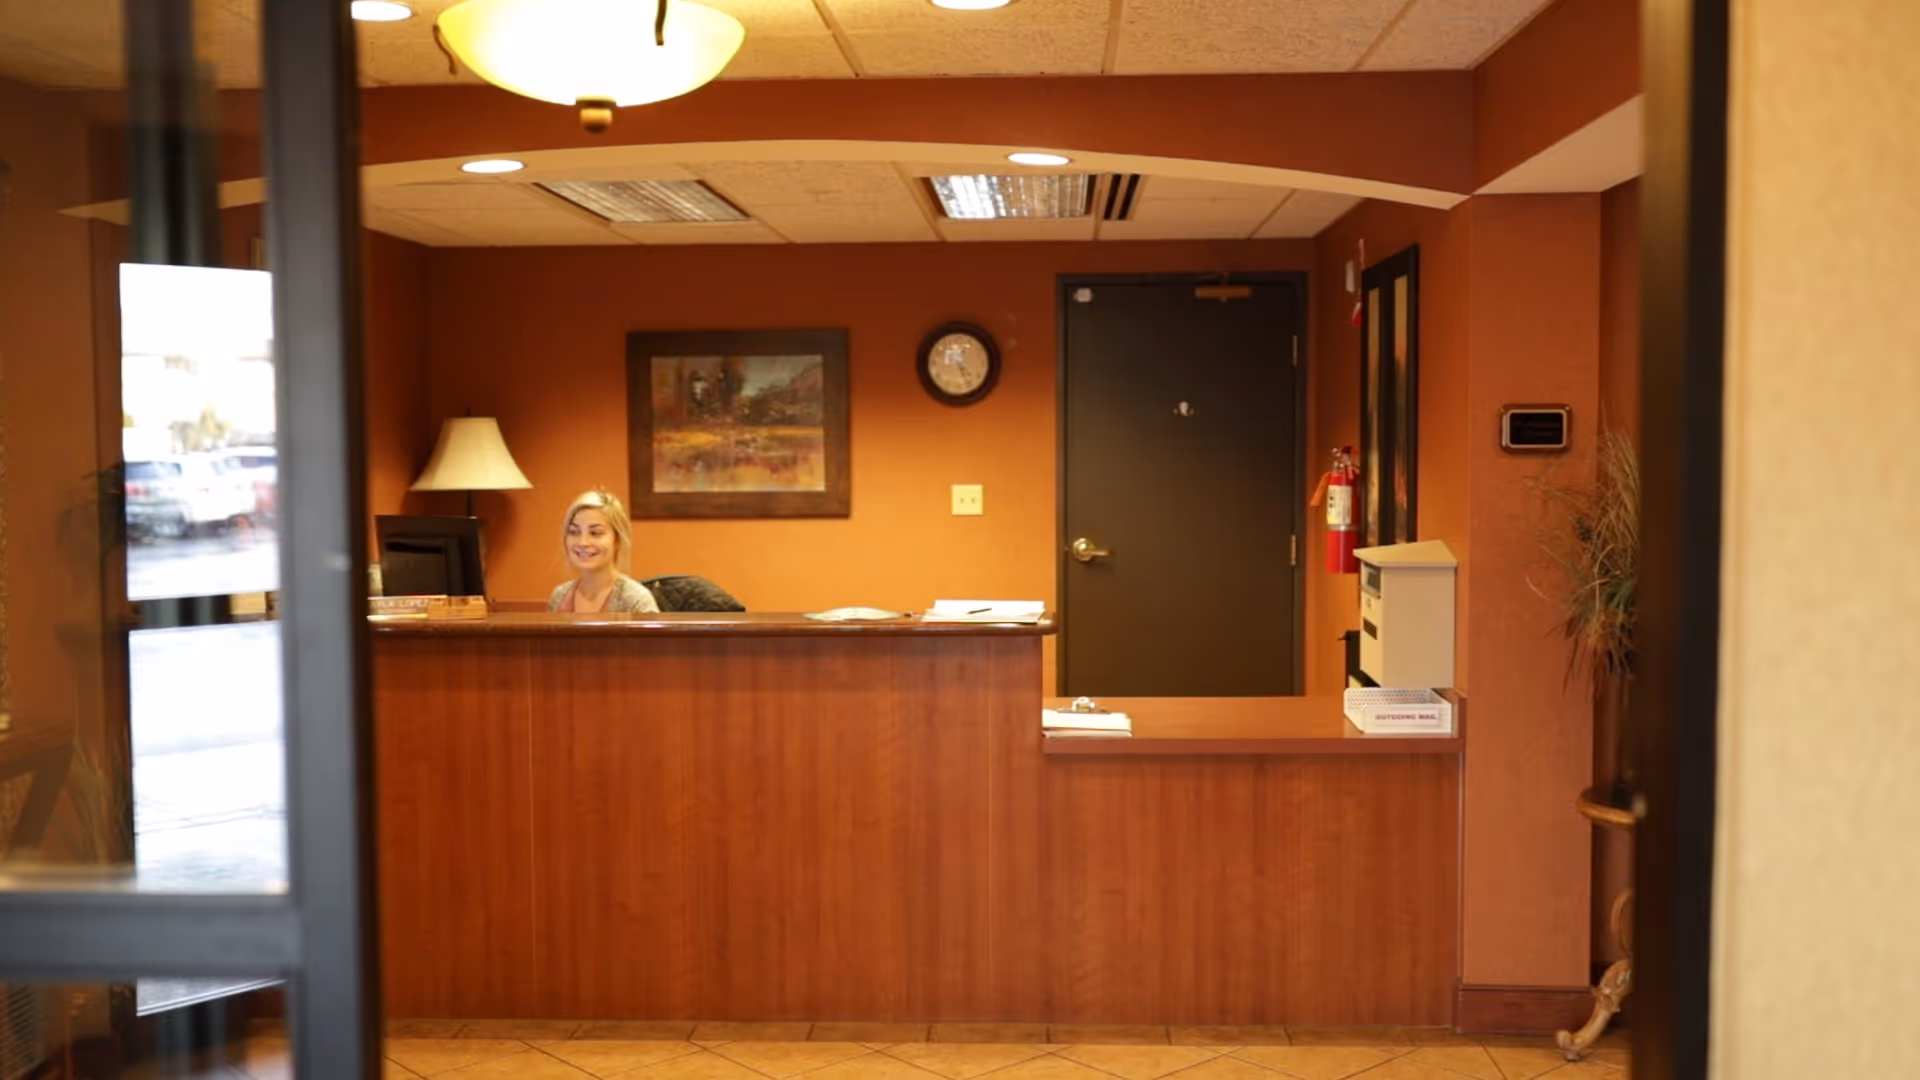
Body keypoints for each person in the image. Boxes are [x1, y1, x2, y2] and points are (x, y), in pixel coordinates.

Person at [547, 490, 659, 614]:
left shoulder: (636, 600)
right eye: (574, 532)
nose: (582, 542)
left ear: (617, 539)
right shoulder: (559, 596)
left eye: (595, 533)